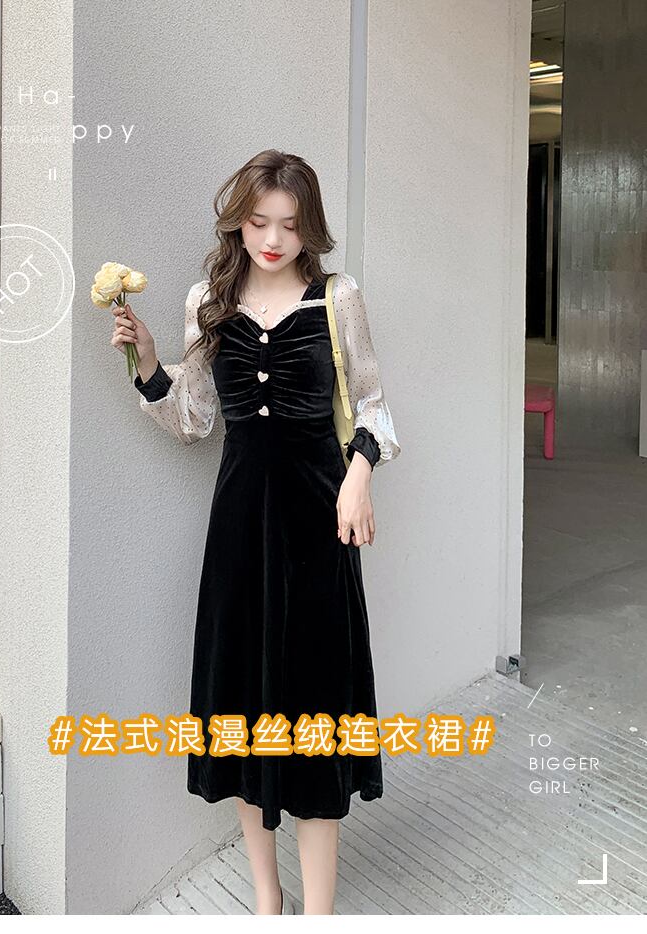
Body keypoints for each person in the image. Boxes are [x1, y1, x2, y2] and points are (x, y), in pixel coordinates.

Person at [111, 149, 401, 915]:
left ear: (311, 229)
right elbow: (194, 420)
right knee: (244, 713)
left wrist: (360, 473)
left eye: (290, 225)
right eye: (259, 221)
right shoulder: (207, 301)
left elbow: (374, 408)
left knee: (316, 715)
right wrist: (148, 361)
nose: (273, 239)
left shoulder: (338, 299)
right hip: (239, 531)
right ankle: (267, 902)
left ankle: (317, 915)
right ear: (238, 222)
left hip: (320, 530)